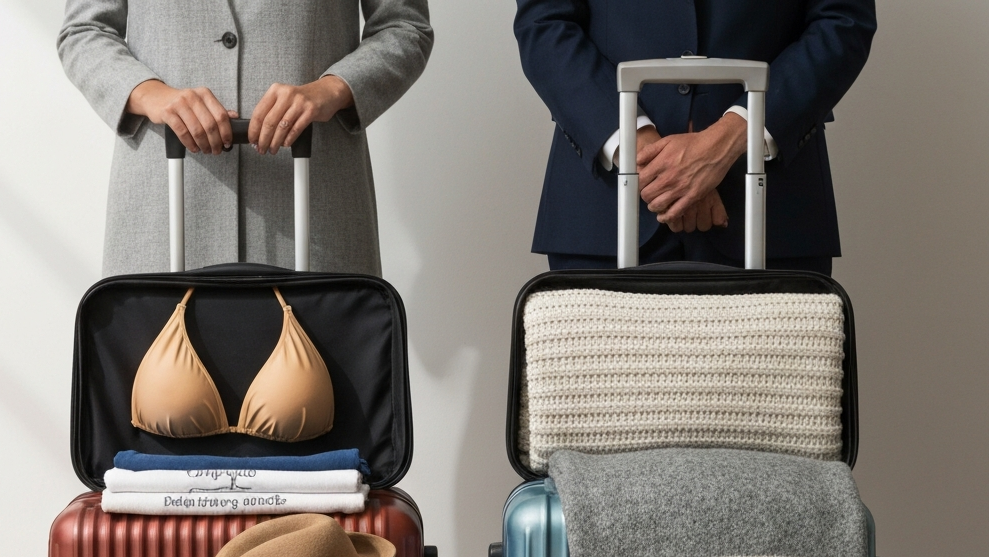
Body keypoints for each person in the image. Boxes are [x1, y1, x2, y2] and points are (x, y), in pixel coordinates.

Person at [58, 1, 434, 276]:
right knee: (157, 380)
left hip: (314, 213)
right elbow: (84, 30)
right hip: (164, 214)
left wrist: (332, 89)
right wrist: (149, 93)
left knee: (324, 381)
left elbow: (404, 26)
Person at [514, 1, 877, 274]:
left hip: (772, 213)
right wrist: (650, 156)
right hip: (603, 216)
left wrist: (729, 140)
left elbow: (842, 21)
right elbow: (545, 22)